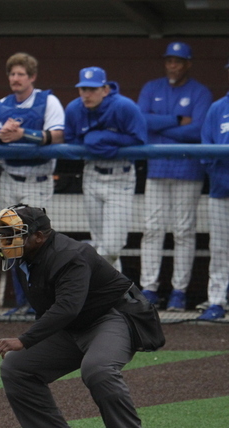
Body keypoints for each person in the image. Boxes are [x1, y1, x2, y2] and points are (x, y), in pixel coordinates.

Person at [0, 205, 148, 428]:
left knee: (98, 369)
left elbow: (67, 307)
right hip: (74, 325)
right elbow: (50, 309)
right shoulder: (24, 257)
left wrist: (24, 340)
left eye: (14, 234)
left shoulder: (70, 255)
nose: (6, 241)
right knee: (17, 367)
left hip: (112, 317)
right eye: (4, 235)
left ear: (39, 236)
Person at [0, 52, 65, 316]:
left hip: (37, 179)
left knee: (36, 240)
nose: (15, 78)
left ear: (32, 77)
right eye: (12, 74)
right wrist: (3, 133)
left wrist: (23, 134)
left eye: (21, 74)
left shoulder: (48, 101)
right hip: (9, 177)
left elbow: (58, 135)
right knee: (10, 238)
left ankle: (40, 301)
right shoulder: (1, 105)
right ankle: (22, 301)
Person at [137, 42, 212, 311]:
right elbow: (141, 121)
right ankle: (149, 288)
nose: (172, 66)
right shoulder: (151, 88)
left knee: (183, 231)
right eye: (169, 60)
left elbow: (197, 130)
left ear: (187, 64)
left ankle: (179, 291)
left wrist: (161, 126)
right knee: (152, 229)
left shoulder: (200, 92)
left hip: (187, 171)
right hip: (157, 169)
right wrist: (178, 120)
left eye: (178, 61)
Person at [63, 67, 147, 269]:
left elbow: (140, 140)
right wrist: (93, 144)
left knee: (111, 248)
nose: (87, 94)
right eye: (83, 89)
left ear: (105, 90)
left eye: (92, 89)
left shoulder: (124, 106)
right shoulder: (74, 109)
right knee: (102, 244)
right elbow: (71, 140)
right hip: (92, 174)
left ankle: (81, 269)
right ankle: (112, 290)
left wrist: (106, 139)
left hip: (120, 176)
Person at [197, 63, 229, 322]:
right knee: (219, 248)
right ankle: (217, 300)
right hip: (221, 191)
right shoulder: (218, 108)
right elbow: (206, 150)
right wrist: (220, 176)